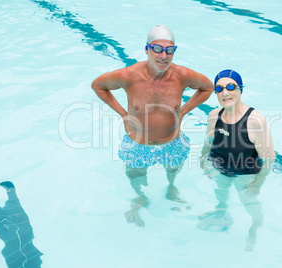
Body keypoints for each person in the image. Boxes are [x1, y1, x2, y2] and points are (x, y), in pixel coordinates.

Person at [91, 25, 214, 227]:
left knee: (173, 170)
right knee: (136, 175)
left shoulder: (182, 75)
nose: (163, 55)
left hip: (172, 142)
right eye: (157, 49)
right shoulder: (129, 76)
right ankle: (139, 197)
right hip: (138, 144)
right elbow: (98, 85)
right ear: (146, 49)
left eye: (170, 50)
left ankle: (171, 188)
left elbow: (207, 87)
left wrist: (183, 110)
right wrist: (123, 114)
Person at [199, 69, 275, 251]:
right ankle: (221, 212)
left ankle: (254, 228)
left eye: (231, 86)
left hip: (246, 171)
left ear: (240, 89)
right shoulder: (213, 116)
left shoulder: (255, 121)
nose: (225, 93)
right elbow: (209, 142)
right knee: (221, 194)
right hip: (219, 166)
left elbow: (269, 158)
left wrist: (258, 183)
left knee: (251, 205)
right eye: (219, 88)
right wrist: (203, 161)